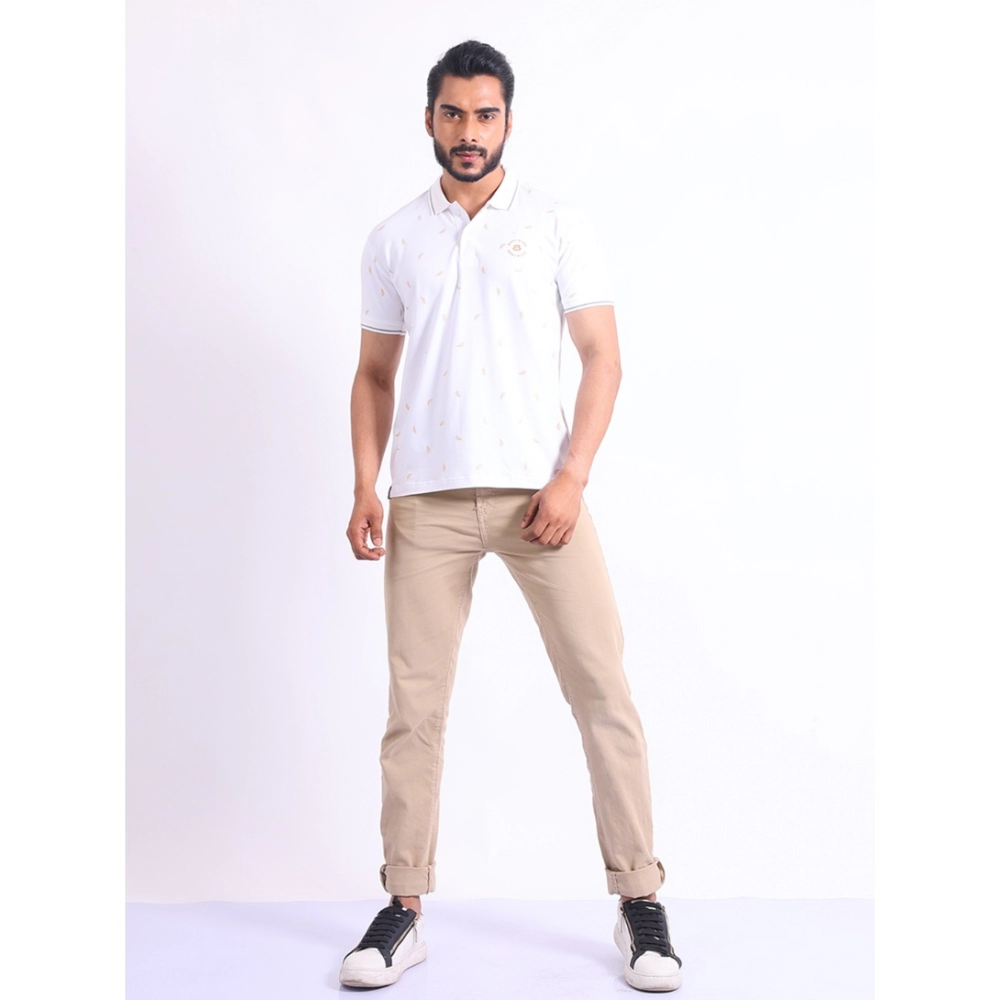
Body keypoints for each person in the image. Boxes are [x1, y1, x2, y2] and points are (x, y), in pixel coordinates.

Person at [340, 39, 682, 993]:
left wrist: (572, 478)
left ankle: (640, 899)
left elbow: (603, 356)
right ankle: (404, 908)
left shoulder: (556, 223)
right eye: (453, 113)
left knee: (602, 692)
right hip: (426, 499)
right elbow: (373, 375)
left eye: (485, 115)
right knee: (415, 711)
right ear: (429, 118)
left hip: (543, 500)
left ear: (508, 122)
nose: (469, 131)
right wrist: (365, 484)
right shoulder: (394, 238)